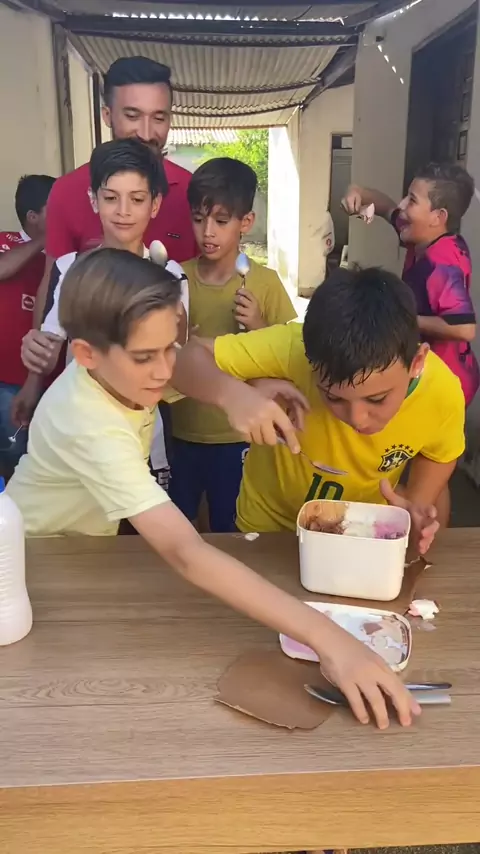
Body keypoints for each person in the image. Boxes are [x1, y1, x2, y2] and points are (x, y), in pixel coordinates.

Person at [6, 247, 420, 731]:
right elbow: (185, 553)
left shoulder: (120, 371)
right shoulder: (89, 422)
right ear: (85, 355)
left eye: (168, 347)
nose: (163, 370)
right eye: (146, 357)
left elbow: (185, 364)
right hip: (34, 565)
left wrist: (239, 392)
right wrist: (331, 640)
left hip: (82, 557)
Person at [171, 266, 465, 544]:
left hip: (361, 531)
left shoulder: (441, 392)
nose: (357, 418)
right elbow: (183, 360)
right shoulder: (293, 347)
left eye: (377, 399)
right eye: (333, 397)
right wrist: (235, 394)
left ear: (417, 362)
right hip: (268, 529)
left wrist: (415, 506)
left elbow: (439, 453)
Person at [16, 138, 188, 489]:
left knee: (142, 514)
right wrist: (34, 353)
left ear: (155, 204)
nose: (123, 211)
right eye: (111, 198)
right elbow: (49, 346)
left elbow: (177, 358)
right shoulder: (70, 268)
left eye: (137, 199)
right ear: (94, 199)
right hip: (80, 432)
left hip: (143, 434)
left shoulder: (170, 276)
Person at [169, 157, 296, 532]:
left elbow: (288, 357)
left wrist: (257, 325)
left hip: (238, 435)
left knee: (231, 525)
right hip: (181, 429)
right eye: (198, 219)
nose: (207, 232)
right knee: (180, 523)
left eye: (221, 221)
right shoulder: (176, 279)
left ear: (246, 222)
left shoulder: (265, 283)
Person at [32, 56, 196, 331]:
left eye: (159, 117)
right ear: (107, 115)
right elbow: (53, 283)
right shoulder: (66, 191)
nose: (146, 133)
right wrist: (39, 346)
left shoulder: (192, 192)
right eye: (132, 116)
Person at [342, 163, 479, 406]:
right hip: (433, 371)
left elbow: (464, 329)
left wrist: (399, 318)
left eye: (412, 200)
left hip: (445, 383)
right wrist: (357, 192)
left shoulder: (442, 263)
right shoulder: (423, 235)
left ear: (438, 217)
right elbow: (386, 207)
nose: (402, 205)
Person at [0, 174, 55, 477]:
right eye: (55, 209)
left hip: (55, 378)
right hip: (9, 381)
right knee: (15, 455)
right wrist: (46, 240)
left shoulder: (66, 254)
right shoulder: (6, 242)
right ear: (33, 216)